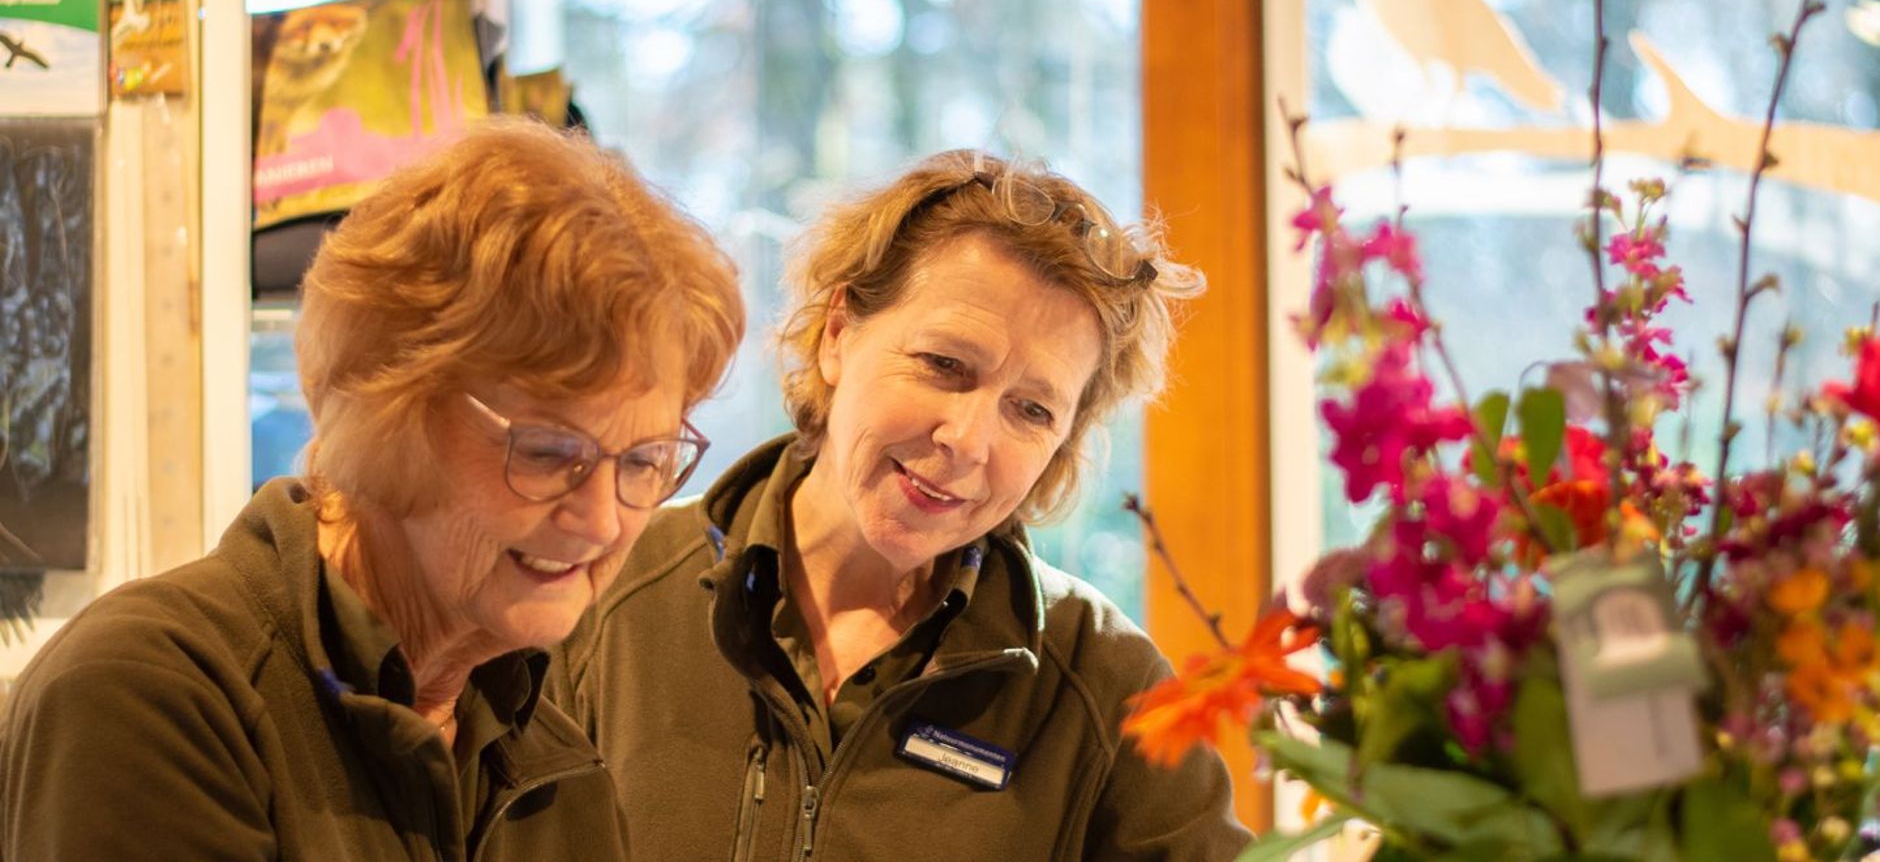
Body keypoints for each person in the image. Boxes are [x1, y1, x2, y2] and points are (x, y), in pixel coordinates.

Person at [0, 116, 744, 860]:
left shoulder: (554, 769)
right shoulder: (156, 696)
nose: (603, 520)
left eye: (644, 462)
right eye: (550, 452)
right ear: (385, 416)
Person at [550, 150, 1250, 859]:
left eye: (1032, 410)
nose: (968, 441)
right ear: (837, 334)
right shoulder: (598, 586)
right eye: (944, 366)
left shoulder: (1105, 685)